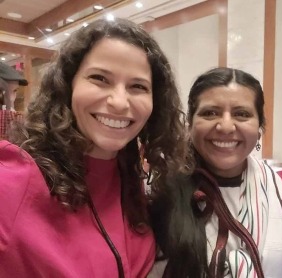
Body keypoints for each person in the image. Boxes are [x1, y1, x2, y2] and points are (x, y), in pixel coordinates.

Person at [0, 18, 189, 277]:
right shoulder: (15, 181)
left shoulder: (132, 184)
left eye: (138, 86)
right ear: (68, 85)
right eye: (100, 78)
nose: (120, 102)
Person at [149, 67, 282, 278]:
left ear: (260, 125)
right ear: (189, 122)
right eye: (210, 113)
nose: (226, 127)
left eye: (241, 114)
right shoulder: (159, 190)